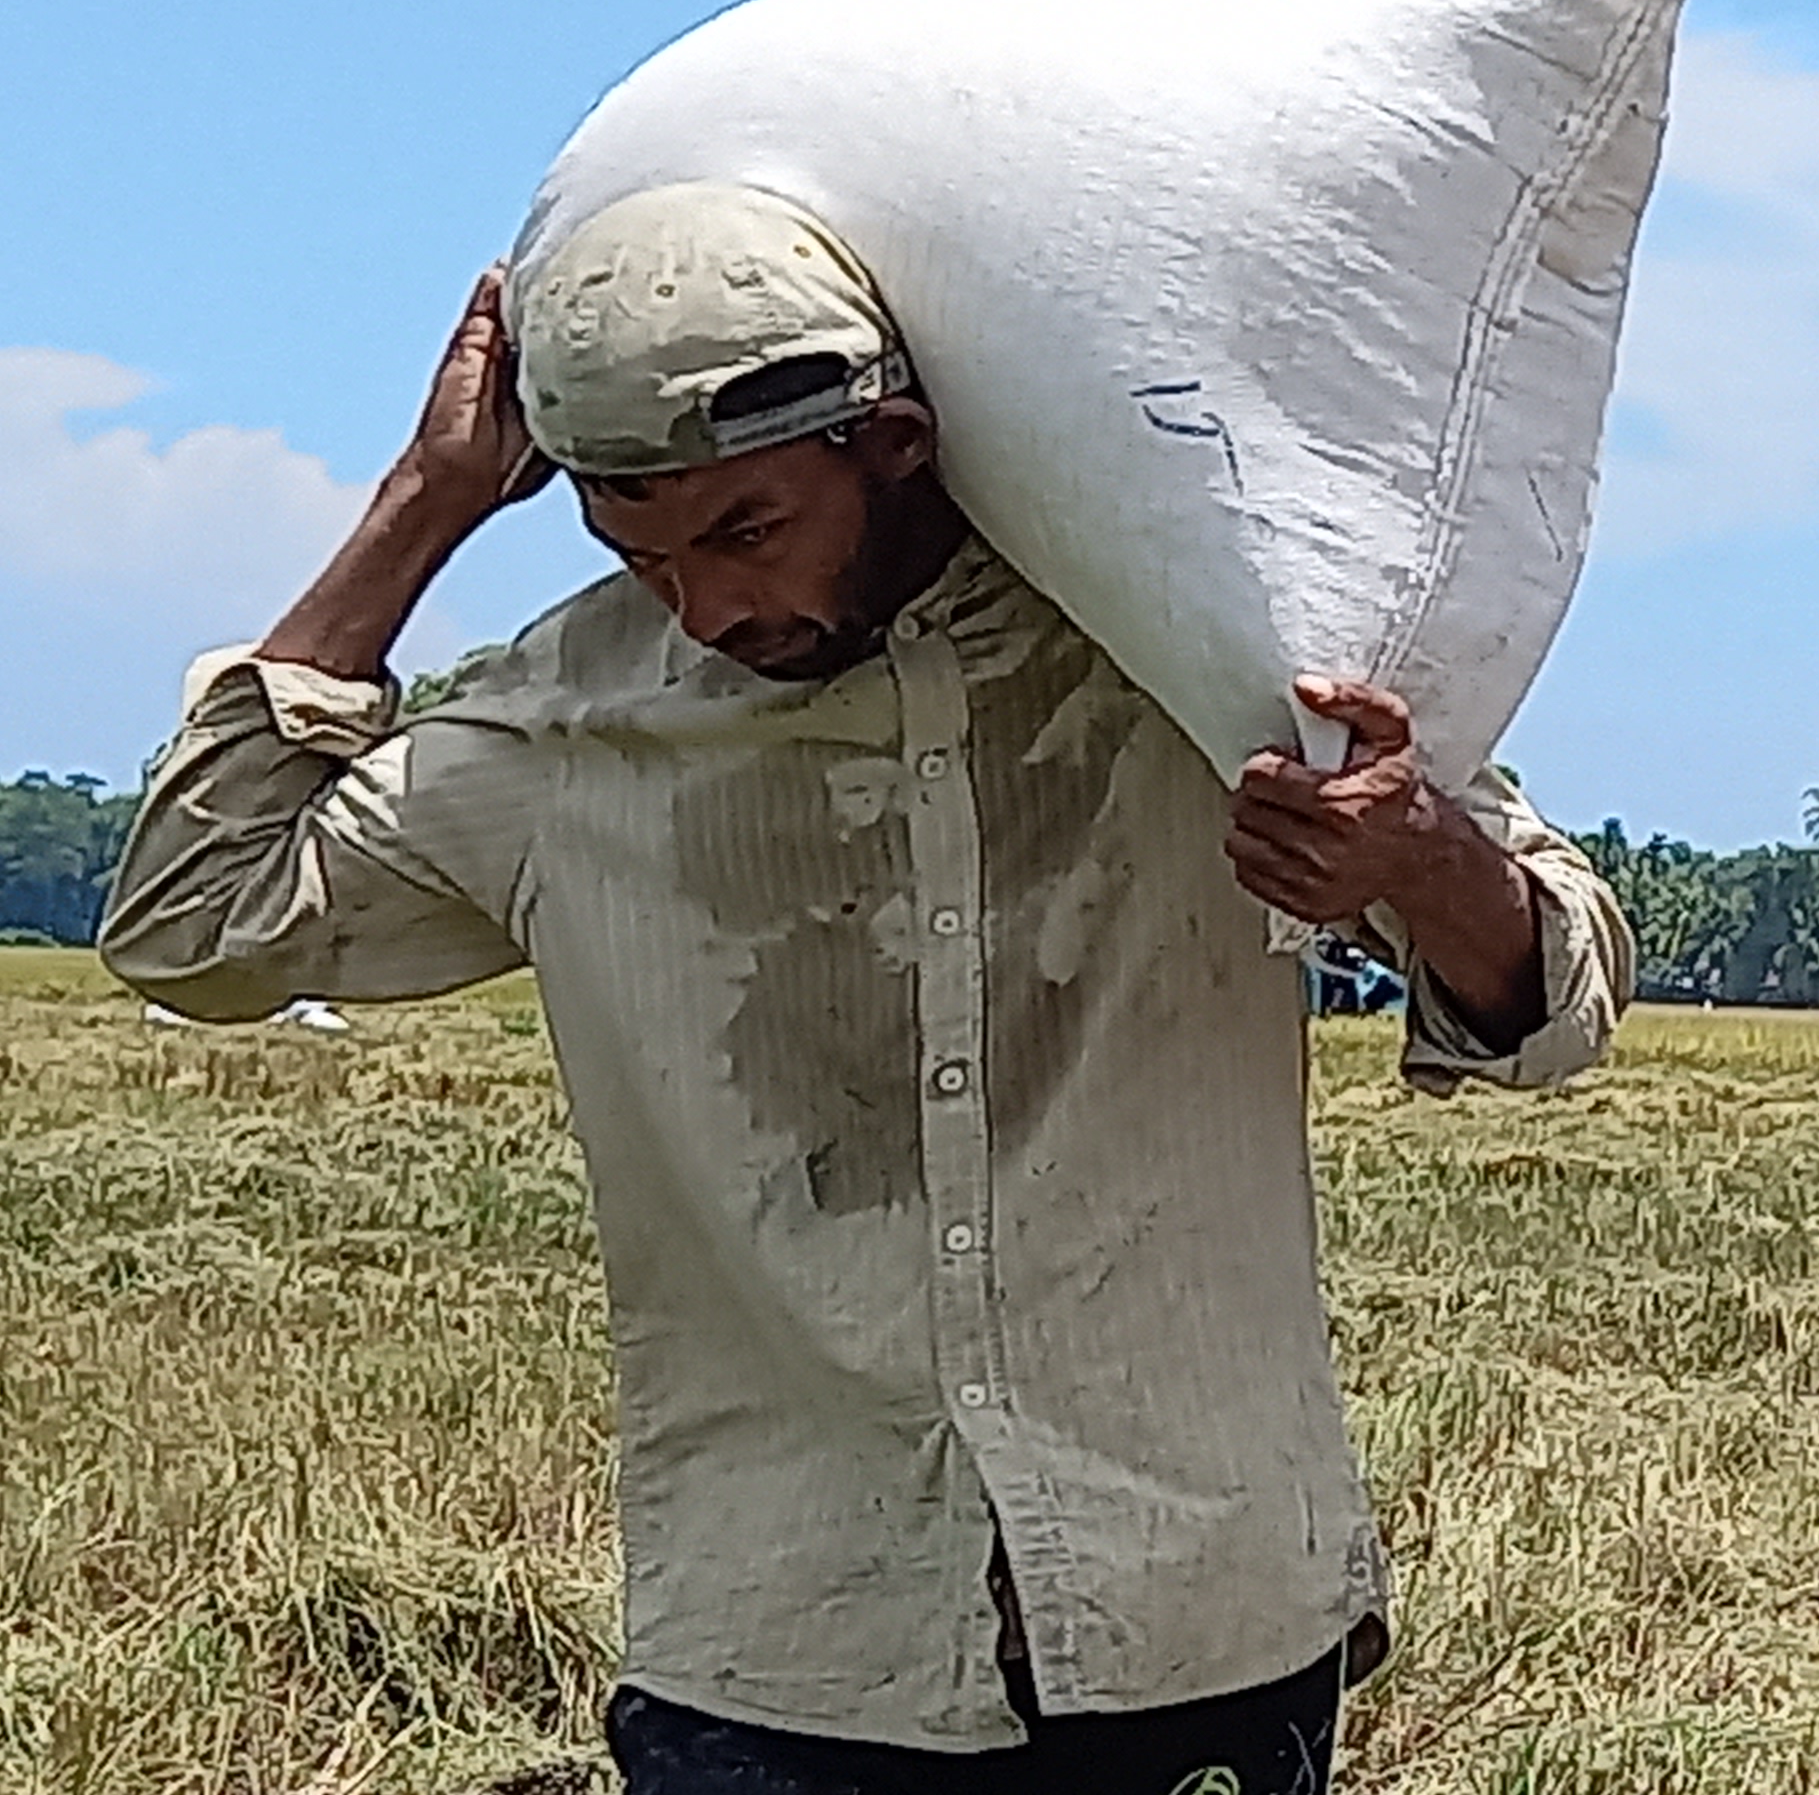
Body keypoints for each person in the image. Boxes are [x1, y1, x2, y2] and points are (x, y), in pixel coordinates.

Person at [98, 185, 1633, 1792]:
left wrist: (1412, 861)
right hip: (792, 1661)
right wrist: (424, 503)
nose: (705, 607)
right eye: (642, 552)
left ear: (896, 444)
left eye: (747, 530)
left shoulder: (1181, 647)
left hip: (1200, 1625)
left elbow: (1561, 997)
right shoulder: (575, 724)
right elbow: (194, 918)